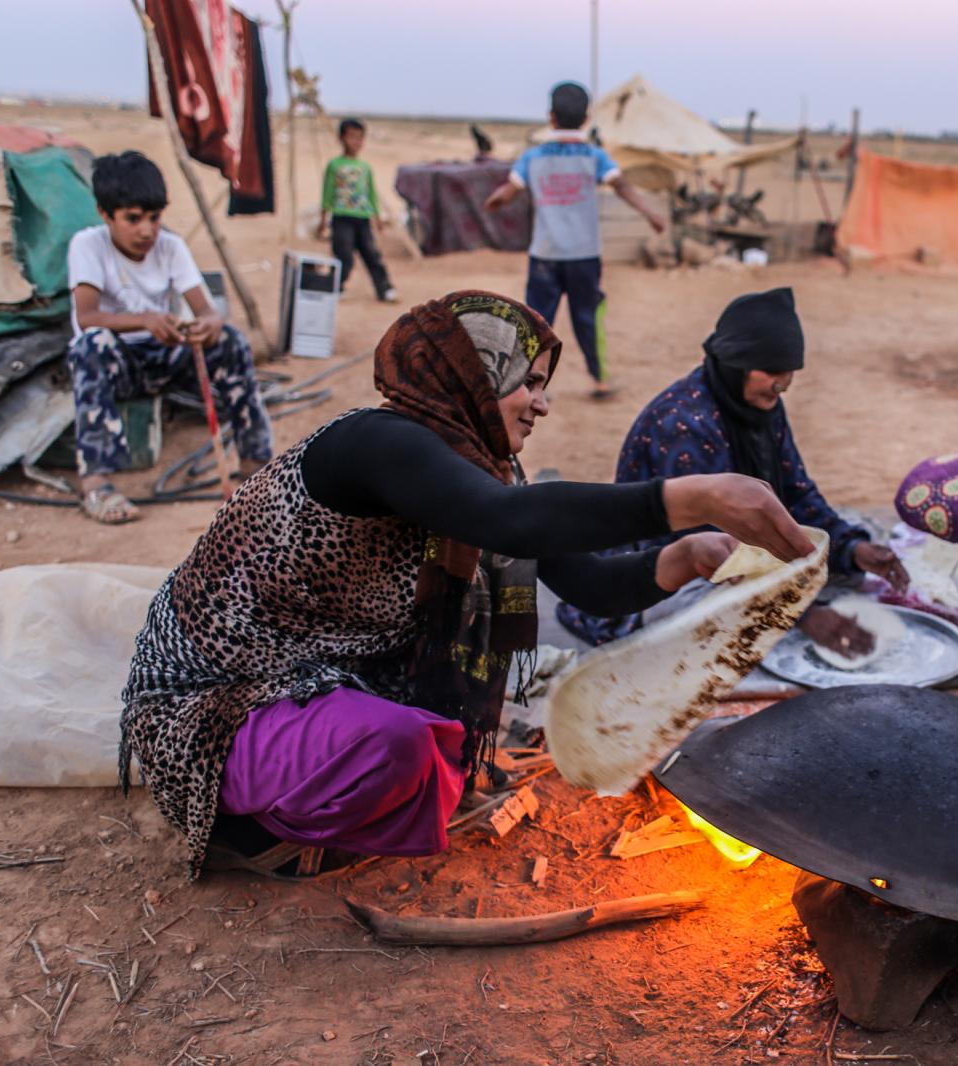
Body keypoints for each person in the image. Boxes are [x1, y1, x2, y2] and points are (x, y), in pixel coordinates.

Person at [120, 291, 812, 879]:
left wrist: (688, 556)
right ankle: (252, 834)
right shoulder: (375, 443)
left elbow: (592, 587)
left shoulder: (485, 472)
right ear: (471, 373)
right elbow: (504, 519)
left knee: (432, 743)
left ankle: (354, 800)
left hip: (327, 680)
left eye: (546, 385)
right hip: (221, 702)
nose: (541, 405)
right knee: (397, 746)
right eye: (527, 381)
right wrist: (690, 498)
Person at [558, 288, 908, 657]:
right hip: (668, 572)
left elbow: (797, 493)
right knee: (715, 617)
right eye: (773, 371)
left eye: (789, 371)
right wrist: (803, 615)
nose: (783, 383)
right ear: (735, 364)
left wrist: (853, 549)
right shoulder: (682, 425)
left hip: (739, 551)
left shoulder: (761, 405)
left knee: (844, 550)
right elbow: (711, 557)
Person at [66, 151, 273, 524]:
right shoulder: (88, 244)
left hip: (168, 356)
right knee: (91, 344)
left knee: (231, 340)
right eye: (133, 219)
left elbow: (207, 310)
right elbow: (87, 317)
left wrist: (207, 324)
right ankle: (96, 484)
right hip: (122, 364)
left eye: (154, 218)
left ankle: (257, 469)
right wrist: (144, 320)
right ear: (104, 213)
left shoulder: (170, 246)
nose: (147, 230)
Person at [484, 82, 665, 400]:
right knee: (588, 317)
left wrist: (494, 201)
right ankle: (600, 381)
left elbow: (508, 192)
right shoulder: (595, 156)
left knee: (536, 320)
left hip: (545, 254)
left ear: (550, 117)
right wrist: (649, 212)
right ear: (586, 118)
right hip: (584, 255)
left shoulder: (533, 157)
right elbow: (621, 185)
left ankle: (531, 384)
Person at [317, 118, 397, 303]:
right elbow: (327, 193)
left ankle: (385, 289)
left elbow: (371, 194)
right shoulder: (335, 165)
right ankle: (335, 287)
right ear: (342, 138)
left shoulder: (365, 167)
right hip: (341, 217)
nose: (356, 142)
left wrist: (377, 217)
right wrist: (323, 219)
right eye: (352, 137)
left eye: (360, 138)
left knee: (372, 255)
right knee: (344, 255)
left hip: (362, 218)